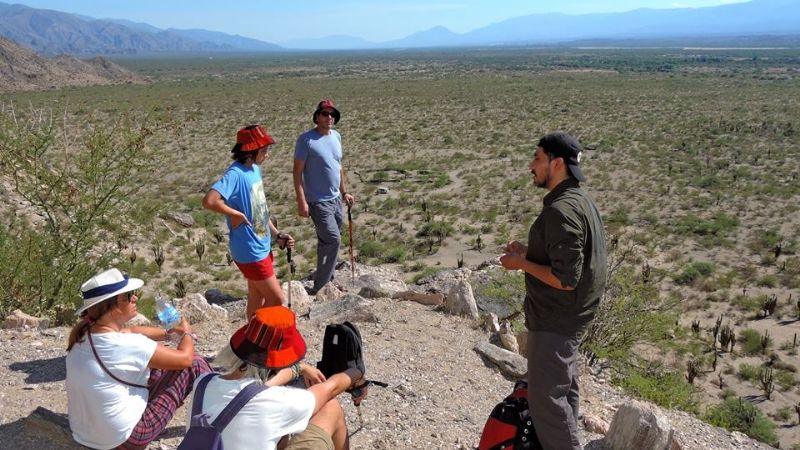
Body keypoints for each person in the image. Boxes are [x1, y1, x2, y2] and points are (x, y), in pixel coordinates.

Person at [499, 132, 607, 450]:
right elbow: (568, 257)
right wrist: (528, 252)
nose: (531, 166)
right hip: (570, 316)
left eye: (537, 158)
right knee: (564, 389)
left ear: (557, 163)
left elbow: (566, 278)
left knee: (546, 401)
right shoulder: (578, 199)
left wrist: (521, 264)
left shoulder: (562, 210)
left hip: (555, 318)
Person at [66, 268, 212, 450]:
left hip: (86, 434)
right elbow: (185, 360)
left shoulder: (83, 336)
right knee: (196, 363)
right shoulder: (128, 345)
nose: (135, 298)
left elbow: (132, 330)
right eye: (128, 296)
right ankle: (220, 416)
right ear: (110, 307)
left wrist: (169, 334)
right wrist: (187, 334)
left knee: (157, 366)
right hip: (127, 439)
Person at [187, 305, 368, 450]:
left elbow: (251, 392)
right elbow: (331, 388)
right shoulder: (275, 401)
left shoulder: (202, 383)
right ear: (275, 364)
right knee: (331, 408)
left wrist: (299, 369)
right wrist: (357, 372)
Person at [203, 125, 295, 318]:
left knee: (257, 296)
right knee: (276, 298)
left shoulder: (254, 170)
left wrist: (276, 235)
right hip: (250, 251)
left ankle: (251, 333)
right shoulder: (235, 174)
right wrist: (235, 214)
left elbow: (260, 211)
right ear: (249, 152)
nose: (267, 155)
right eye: (263, 151)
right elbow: (210, 201)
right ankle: (259, 334)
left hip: (261, 245)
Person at [293, 99, 354, 294]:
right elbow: (297, 172)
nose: (329, 117)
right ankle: (321, 286)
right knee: (333, 239)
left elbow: (338, 166)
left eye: (332, 114)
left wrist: (344, 192)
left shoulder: (336, 136)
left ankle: (328, 281)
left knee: (327, 242)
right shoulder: (306, 140)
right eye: (325, 114)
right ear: (317, 117)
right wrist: (301, 200)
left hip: (335, 199)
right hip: (317, 201)